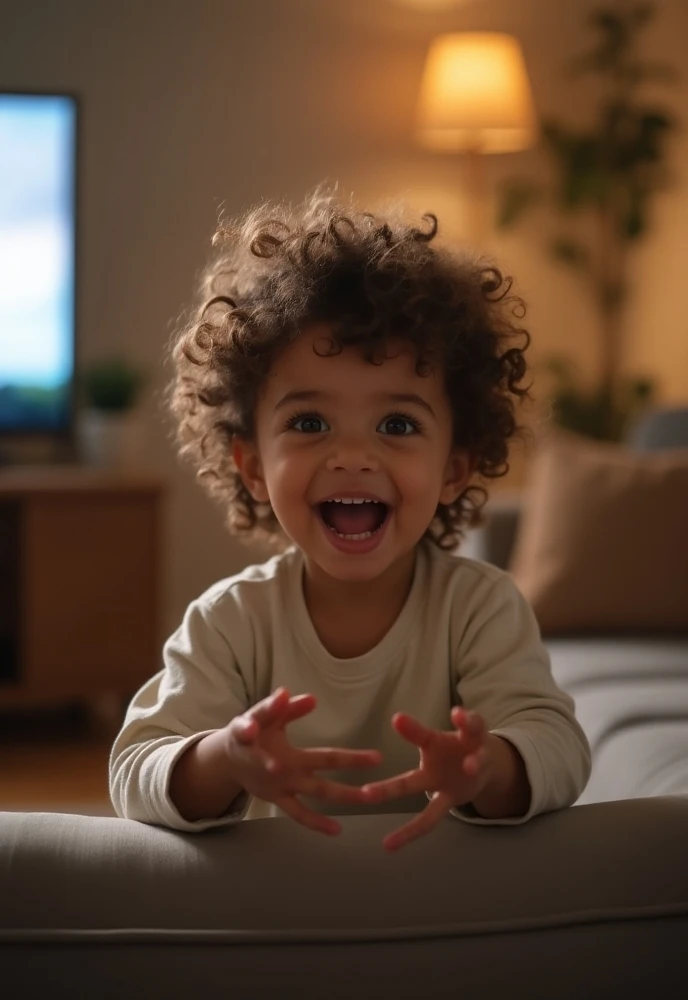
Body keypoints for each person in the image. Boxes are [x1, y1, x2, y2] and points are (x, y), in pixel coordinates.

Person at [109, 190, 591, 852]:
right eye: (309, 423)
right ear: (252, 464)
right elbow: (134, 767)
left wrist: (488, 766)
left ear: (455, 465)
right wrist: (224, 758)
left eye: (397, 424)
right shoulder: (232, 621)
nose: (354, 457)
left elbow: (560, 746)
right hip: (288, 919)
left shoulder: (479, 608)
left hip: (439, 911)